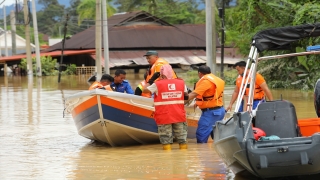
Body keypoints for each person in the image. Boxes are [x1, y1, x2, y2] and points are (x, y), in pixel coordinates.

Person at [143, 64, 188, 150]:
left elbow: (144, 90)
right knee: (182, 138)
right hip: (179, 114)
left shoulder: (157, 84)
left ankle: (168, 159)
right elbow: (186, 96)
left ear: (161, 74)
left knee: (165, 139)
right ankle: (183, 157)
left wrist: (151, 79)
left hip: (164, 116)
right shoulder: (181, 82)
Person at [188, 65, 225, 143]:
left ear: (200, 73)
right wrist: (197, 103)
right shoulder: (217, 79)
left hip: (211, 113)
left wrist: (180, 101)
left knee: (201, 133)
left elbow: (194, 94)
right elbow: (209, 95)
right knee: (216, 135)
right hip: (220, 111)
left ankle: (202, 152)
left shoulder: (206, 81)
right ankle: (214, 153)